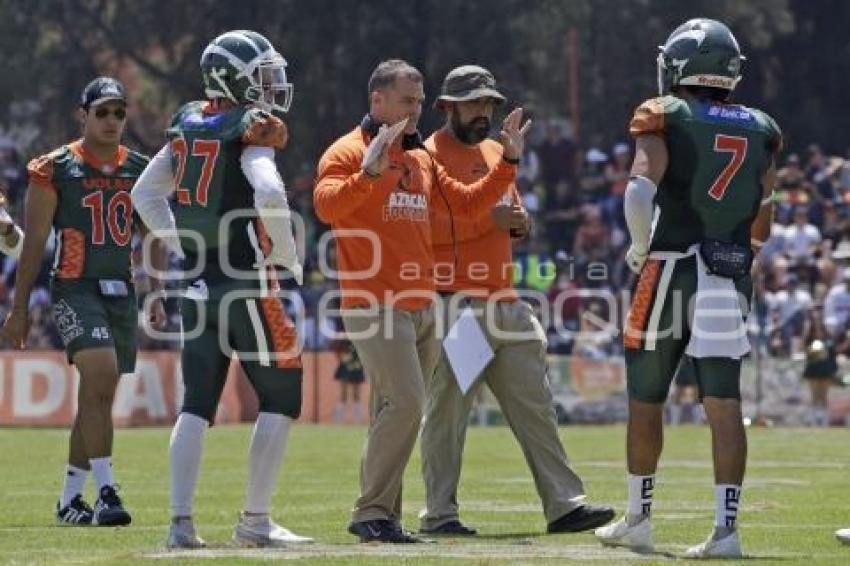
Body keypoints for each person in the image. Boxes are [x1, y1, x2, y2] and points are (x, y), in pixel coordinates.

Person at [314, 58, 528, 543]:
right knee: (408, 402)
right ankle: (370, 510)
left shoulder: (419, 159)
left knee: (392, 410)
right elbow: (326, 206)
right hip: (373, 302)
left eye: (418, 100)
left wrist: (509, 164)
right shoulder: (348, 151)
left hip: (423, 304)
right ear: (378, 100)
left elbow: (471, 205)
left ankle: (384, 516)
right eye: (408, 101)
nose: (416, 110)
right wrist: (367, 176)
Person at [594, 18, 782, 558]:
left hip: (672, 266)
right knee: (725, 403)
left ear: (677, 63)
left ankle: (639, 518)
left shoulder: (666, 113)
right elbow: (762, 227)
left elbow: (638, 192)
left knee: (645, 397)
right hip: (728, 272)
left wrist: (637, 247)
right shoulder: (763, 126)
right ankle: (726, 532)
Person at [418, 64, 614, 537]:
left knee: (537, 408)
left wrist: (521, 222)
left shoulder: (496, 151)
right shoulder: (427, 157)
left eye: (489, 103)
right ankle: (439, 514)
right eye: (474, 103)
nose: (484, 111)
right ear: (447, 107)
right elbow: (438, 226)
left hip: (505, 301)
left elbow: (510, 214)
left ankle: (564, 505)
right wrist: (497, 212)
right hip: (457, 304)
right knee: (449, 413)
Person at [131, 30, 308, 549]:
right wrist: (285, 251)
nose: (271, 86)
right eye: (261, 75)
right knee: (282, 392)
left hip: (197, 284)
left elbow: (146, 194)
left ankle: (180, 525)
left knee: (196, 405)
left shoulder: (189, 123)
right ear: (232, 76)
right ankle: (255, 521)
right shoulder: (248, 128)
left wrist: (180, 239)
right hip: (247, 283)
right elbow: (271, 191)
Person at [2, 77, 160, 527]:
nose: (112, 120)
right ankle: (107, 490)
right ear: (83, 115)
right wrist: (18, 310)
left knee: (98, 393)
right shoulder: (54, 168)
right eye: (102, 112)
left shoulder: (141, 168)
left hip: (120, 289)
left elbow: (155, 236)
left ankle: (70, 499)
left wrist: (158, 290)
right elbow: (33, 244)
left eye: (119, 112)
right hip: (74, 288)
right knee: (102, 374)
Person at [333, 340, 365, 424]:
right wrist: (343, 358)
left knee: (356, 395)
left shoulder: (361, 339)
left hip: (357, 366)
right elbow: (337, 349)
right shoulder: (344, 339)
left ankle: (358, 421)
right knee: (343, 395)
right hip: (345, 367)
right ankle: (338, 421)